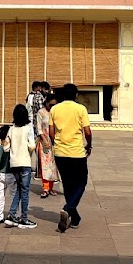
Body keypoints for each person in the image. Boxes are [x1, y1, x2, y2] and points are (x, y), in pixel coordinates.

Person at [49, 83, 92, 233]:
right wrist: (89, 145)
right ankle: (68, 208)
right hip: (76, 152)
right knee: (81, 181)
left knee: (67, 184)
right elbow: (87, 131)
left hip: (60, 152)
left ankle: (75, 217)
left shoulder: (55, 109)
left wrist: (57, 143)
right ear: (76, 95)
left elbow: (51, 131)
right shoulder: (80, 109)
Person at [3, 105, 37, 229]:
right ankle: (24, 218)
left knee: (18, 189)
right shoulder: (28, 128)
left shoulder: (11, 129)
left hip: (14, 163)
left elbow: (6, 148)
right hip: (25, 162)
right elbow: (32, 145)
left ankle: (12, 214)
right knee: (25, 191)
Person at [36, 91, 60, 198]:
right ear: (46, 103)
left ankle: (51, 187)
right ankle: (45, 188)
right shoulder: (41, 113)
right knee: (45, 165)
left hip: (55, 142)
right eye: (51, 105)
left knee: (53, 166)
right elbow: (39, 128)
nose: (52, 107)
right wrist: (44, 139)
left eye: (54, 105)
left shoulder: (56, 112)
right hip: (44, 142)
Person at [0, 126, 16, 224]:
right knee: (14, 195)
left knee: (0, 195)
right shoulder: (12, 149)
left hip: (1, 174)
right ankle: (13, 214)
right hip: (11, 174)